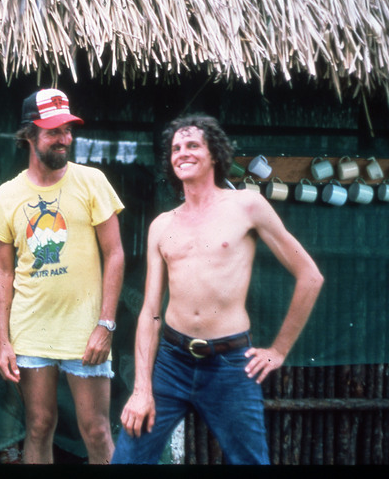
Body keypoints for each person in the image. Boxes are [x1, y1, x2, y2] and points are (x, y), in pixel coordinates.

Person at [111, 113, 324, 465]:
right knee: (128, 459)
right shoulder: (162, 226)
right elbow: (150, 313)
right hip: (171, 363)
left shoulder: (247, 206)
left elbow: (310, 276)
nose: (182, 153)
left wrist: (279, 350)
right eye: (176, 148)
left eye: (193, 145)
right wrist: (141, 389)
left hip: (229, 365)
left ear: (214, 154)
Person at [0, 88, 125, 464]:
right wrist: (4, 340)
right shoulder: (7, 195)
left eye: (67, 129)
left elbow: (114, 255)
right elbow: (1, 269)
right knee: (40, 425)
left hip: (86, 329)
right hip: (32, 330)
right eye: (53, 131)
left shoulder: (92, 182)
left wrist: (106, 324)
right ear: (29, 135)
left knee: (96, 430)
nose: (64, 139)